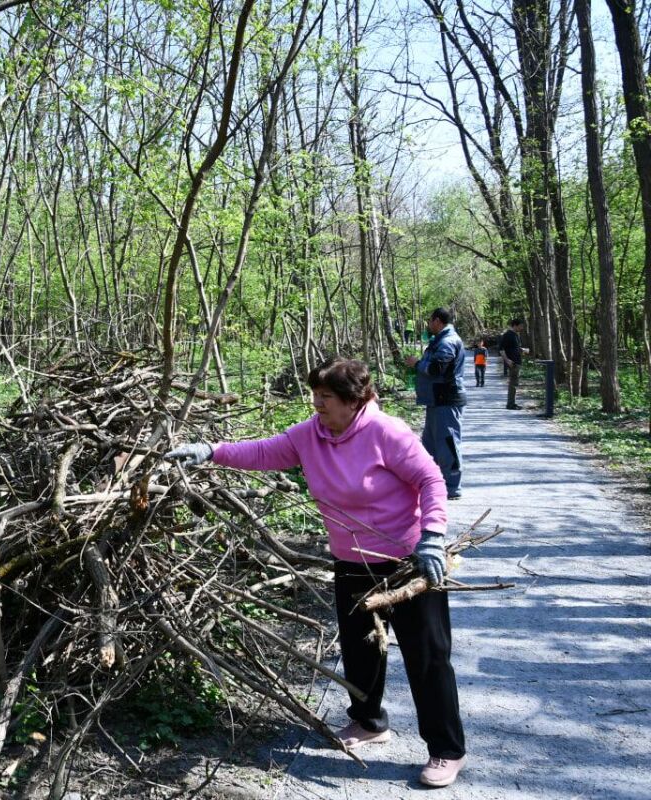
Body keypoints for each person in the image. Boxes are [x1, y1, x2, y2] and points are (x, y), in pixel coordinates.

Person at [164, 358, 467, 788]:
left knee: (428, 657)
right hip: (353, 561)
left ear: (353, 400)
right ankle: (368, 722)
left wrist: (433, 535)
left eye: (325, 397)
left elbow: (431, 480)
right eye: (316, 396)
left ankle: (446, 750)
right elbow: (265, 452)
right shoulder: (312, 434)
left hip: (407, 561)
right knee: (360, 649)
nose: (316, 404)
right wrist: (212, 451)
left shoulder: (387, 433)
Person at [405, 308, 466, 500]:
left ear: (437, 321)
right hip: (435, 401)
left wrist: (416, 363)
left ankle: (452, 487)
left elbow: (437, 368)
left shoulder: (448, 342)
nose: (428, 325)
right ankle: (431, 483)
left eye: (430, 321)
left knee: (448, 444)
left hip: (446, 400)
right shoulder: (439, 340)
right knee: (429, 445)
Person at [499, 318, 527, 410]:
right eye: (520, 326)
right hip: (512, 363)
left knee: (515, 383)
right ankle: (510, 404)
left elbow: (515, 348)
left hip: (517, 362)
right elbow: (501, 349)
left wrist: (522, 350)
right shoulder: (507, 335)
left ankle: (512, 403)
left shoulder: (516, 335)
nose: (522, 327)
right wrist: (507, 360)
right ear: (515, 325)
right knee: (513, 383)